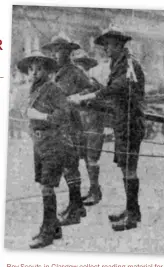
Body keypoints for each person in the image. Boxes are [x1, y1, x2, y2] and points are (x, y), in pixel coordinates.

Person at [69, 25, 145, 231]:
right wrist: (88, 99)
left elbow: (118, 88)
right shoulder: (118, 63)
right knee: (125, 167)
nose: (106, 50)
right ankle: (132, 210)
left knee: (129, 168)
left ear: (119, 45)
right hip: (122, 122)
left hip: (130, 123)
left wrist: (88, 96)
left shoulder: (128, 64)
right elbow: (112, 95)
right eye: (104, 47)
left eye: (109, 46)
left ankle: (132, 216)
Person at [17, 50, 69, 248]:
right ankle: (54, 227)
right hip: (39, 143)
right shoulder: (35, 89)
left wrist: (40, 116)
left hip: (53, 143)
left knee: (47, 186)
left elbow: (63, 115)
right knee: (43, 184)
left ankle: (47, 233)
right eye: (31, 69)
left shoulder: (53, 89)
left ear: (47, 70)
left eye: (39, 68)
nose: (34, 72)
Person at [41, 34, 92, 226]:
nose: (56, 54)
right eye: (53, 50)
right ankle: (76, 205)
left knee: (70, 165)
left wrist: (76, 97)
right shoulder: (56, 73)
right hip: (58, 124)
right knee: (66, 165)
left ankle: (76, 210)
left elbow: (90, 89)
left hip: (71, 123)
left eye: (60, 50)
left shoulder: (75, 71)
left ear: (69, 52)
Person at [72, 49, 105, 206]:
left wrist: (84, 100)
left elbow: (101, 99)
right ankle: (93, 190)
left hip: (94, 125)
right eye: (78, 66)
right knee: (86, 158)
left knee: (92, 158)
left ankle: (96, 192)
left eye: (83, 66)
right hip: (82, 126)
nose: (80, 70)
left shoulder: (93, 83)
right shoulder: (75, 85)